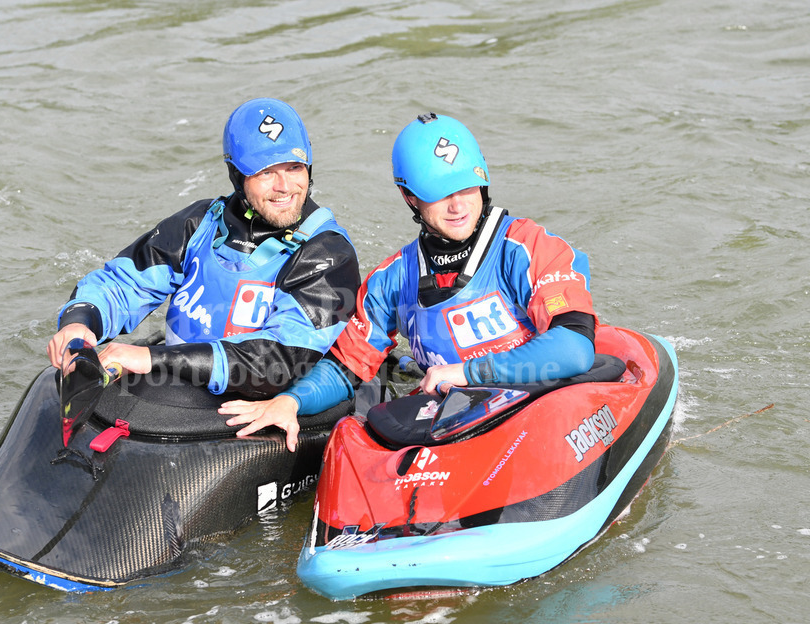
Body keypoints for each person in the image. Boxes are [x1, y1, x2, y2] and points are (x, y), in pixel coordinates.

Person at [220, 112, 598, 447]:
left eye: (466, 187)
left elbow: (574, 349)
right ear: (409, 197)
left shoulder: (530, 247)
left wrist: (468, 373)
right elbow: (345, 368)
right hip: (460, 420)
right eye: (439, 194)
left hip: (544, 405)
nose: (458, 206)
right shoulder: (392, 280)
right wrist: (292, 401)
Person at [47, 98, 360, 398]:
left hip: (262, 401)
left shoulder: (328, 254)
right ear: (237, 175)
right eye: (266, 172)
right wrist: (79, 324)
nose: (285, 186)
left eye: (294, 167)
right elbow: (121, 284)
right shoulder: (200, 224)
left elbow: (277, 362)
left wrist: (153, 359)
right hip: (178, 388)